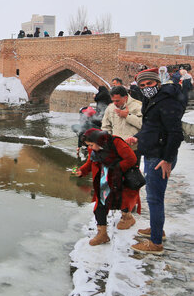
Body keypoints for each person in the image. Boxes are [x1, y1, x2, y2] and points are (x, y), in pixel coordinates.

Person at [125, 68, 186, 255]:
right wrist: (137, 137)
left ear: (158, 83)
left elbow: (176, 134)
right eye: (142, 85)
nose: (146, 88)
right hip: (153, 153)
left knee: (154, 199)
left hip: (159, 158)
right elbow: (151, 127)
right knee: (154, 198)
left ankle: (156, 243)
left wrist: (167, 159)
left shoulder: (167, 101)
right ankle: (156, 229)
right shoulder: (152, 100)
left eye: (149, 84)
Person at [76, 129, 138, 245]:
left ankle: (127, 217)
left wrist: (115, 168)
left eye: (91, 145)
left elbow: (131, 159)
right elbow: (91, 162)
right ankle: (102, 234)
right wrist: (82, 171)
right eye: (88, 145)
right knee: (101, 204)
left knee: (121, 200)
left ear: (98, 140)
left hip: (120, 179)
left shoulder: (116, 143)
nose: (91, 148)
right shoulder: (93, 149)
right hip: (103, 181)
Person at [102, 85, 143, 229]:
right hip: (116, 150)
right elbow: (105, 126)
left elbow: (144, 126)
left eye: (118, 101)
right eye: (113, 100)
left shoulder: (138, 106)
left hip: (132, 150)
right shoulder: (110, 108)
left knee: (131, 181)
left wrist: (127, 116)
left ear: (125, 97)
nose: (115, 103)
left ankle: (128, 213)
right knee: (117, 180)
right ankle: (125, 209)